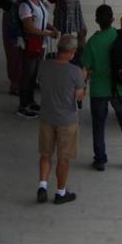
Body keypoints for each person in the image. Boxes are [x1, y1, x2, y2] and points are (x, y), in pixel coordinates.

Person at [80, 5, 122, 171]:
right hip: (120, 88)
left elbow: (85, 66)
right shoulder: (120, 35)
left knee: (99, 125)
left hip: (99, 89)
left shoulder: (93, 42)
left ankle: (100, 159)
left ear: (96, 21)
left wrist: (82, 87)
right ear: (112, 19)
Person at [36, 34, 85, 205]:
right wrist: (83, 80)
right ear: (72, 52)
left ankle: (42, 185)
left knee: (45, 154)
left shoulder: (44, 66)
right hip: (67, 120)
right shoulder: (75, 72)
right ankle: (60, 192)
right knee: (63, 158)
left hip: (47, 116)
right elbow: (79, 97)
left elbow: (41, 83)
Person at [0, 0, 46, 95]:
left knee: (31, 50)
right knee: (14, 51)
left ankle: (28, 81)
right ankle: (16, 84)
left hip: (28, 12)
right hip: (14, 16)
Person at [17, 0, 59, 118]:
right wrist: (48, 33)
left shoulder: (38, 2)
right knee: (27, 75)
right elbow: (29, 28)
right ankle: (23, 105)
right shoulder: (25, 6)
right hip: (29, 44)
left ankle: (30, 101)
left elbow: (41, 19)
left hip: (40, 44)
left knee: (34, 74)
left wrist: (51, 27)